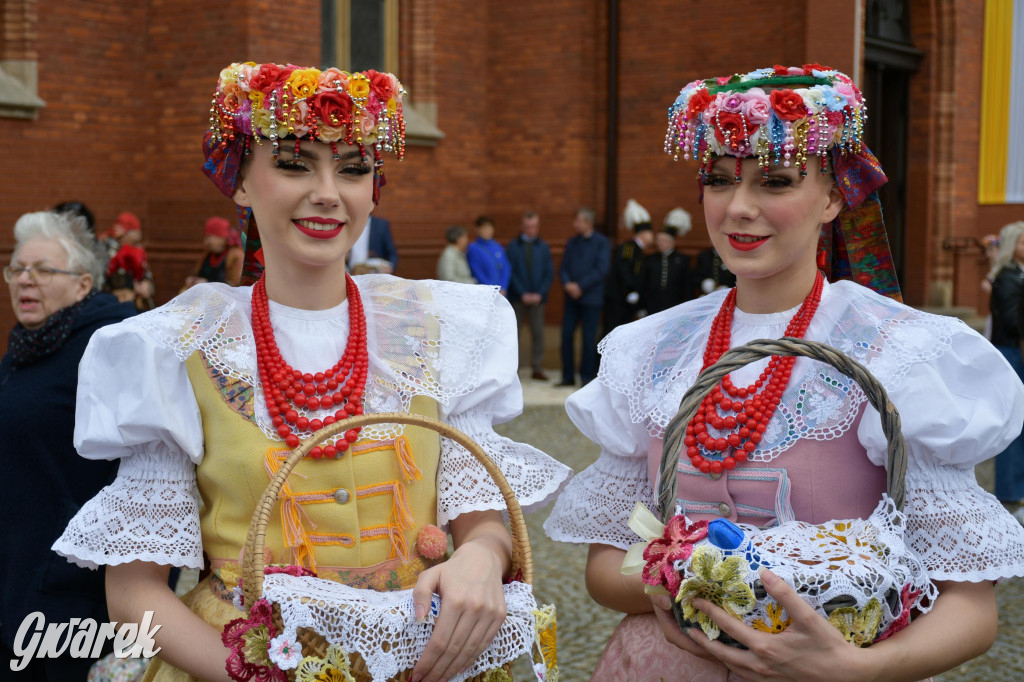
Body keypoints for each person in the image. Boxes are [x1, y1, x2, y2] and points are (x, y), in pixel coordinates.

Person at [52, 62, 570, 682]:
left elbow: (478, 515)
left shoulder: (437, 327)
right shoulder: (178, 345)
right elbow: (134, 593)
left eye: (352, 169)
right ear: (240, 181)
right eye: (295, 165)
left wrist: (482, 555)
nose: (328, 192)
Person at [544, 64, 1024, 681]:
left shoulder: (897, 352)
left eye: (774, 181)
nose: (739, 208)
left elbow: (971, 607)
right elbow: (606, 569)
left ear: (832, 197)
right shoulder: (653, 350)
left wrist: (855, 670)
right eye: (719, 180)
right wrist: (690, 580)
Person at [0, 211, 136, 680]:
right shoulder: (29, 346)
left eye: (43, 269)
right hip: (18, 578)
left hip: (67, 597)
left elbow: (142, 469)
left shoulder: (107, 347)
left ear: (82, 285)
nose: (25, 279)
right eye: (17, 269)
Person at [992, 221, 1024, 521]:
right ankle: (1010, 490)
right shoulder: (1008, 278)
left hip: (1017, 349)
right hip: (1012, 352)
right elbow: (1014, 321)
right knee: (1014, 422)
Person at [558, 207, 610, 387]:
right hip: (571, 298)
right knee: (566, 336)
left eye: (578, 221)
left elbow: (601, 269)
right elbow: (563, 267)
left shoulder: (601, 243)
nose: (575, 225)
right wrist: (567, 284)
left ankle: (586, 377)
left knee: (589, 339)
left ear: (589, 222)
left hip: (591, 298)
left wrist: (581, 286)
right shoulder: (572, 242)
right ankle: (567, 376)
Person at [506, 211, 555, 381]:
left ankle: (537, 367)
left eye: (534, 227)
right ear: (522, 226)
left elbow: (549, 272)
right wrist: (522, 293)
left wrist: (540, 293)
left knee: (538, 333)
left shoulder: (543, 247)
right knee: (514, 334)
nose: (531, 230)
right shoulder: (513, 246)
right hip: (518, 298)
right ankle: (513, 369)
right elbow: (510, 272)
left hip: (538, 299)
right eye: (527, 227)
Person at [603, 199, 653, 337]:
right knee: (612, 333)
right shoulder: (629, 247)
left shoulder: (639, 250)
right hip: (618, 299)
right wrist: (630, 289)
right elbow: (623, 268)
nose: (652, 236)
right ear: (643, 233)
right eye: (650, 232)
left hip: (628, 300)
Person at [642, 209, 692, 315]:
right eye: (658, 240)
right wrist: (642, 306)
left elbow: (687, 285)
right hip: (653, 305)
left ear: (670, 242)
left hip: (675, 305)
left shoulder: (683, 260)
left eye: (662, 240)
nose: (659, 243)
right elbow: (644, 283)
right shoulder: (650, 259)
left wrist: (688, 307)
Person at [106, 211, 155, 310]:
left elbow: (147, 276)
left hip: (137, 305)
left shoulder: (138, 250)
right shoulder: (107, 250)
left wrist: (147, 286)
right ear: (124, 232)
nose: (139, 237)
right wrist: (130, 287)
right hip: (113, 305)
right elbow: (103, 281)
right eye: (136, 233)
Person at [182, 216, 245, 290]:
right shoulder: (209, 254)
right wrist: (194, 280)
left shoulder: (236, 255)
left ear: (221, 237)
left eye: (209, 237)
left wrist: (207, 283)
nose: (206, 242)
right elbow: (199, 274)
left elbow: (236, 285)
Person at [466, 216, 510, 294]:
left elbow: (506, 268)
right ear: (477, 229)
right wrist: (493, 289)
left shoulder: (498, 246)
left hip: (501, 293)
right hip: (485, 292)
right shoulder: (473, 248)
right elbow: (477, 272)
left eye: (490, 227)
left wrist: (503, 287)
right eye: (484, 228)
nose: (487, 231)